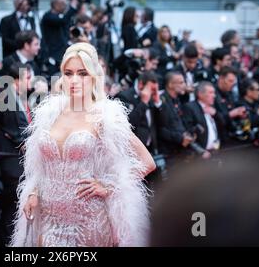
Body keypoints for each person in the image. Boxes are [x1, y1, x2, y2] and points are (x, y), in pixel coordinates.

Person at [11, 42, 155, 247]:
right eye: (68, 73)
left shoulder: (105, 116)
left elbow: (147, 162)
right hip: (49, 219)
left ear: (94, 76)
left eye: (83, 73)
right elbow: (38, 166)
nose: (74, 80)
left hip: (89, 220)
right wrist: (33, 192)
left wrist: (109, 186)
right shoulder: (49, 115)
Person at [0, 62, 32, 246]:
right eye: (27, 78)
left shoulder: (18, 98)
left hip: (18, 162)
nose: (30, 82)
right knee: (11, 208)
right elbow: (14, 132)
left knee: (13, 209)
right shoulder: (7, 98)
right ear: (16, 81)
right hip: (10, 163)